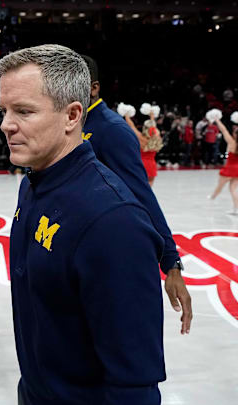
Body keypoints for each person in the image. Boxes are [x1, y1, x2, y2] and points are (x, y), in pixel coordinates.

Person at [0, 44, 166, 405]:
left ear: (72, 115)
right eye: (5, 110)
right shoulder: (31, 183)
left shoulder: (113, 222)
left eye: (24, 111)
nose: (6, 125)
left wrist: (172, 257)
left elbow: (134, 384)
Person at [81, 55, 192, 334]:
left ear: (94, 88)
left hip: (111, 248)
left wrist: (170, 261)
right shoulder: (72, 121)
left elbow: (142, 196)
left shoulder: (111, 129)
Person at [207, 116, 238, 215]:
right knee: (233, 189)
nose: (233, 132)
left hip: (230, 168)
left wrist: (217, 120)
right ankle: (236, 209)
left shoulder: (232, 143)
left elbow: (224, 130)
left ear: (236, 136)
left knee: (220, 185)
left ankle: (213, 197)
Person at [124, 110, 162, 186]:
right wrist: (152, 116)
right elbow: (153, 127)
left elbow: (132, 126)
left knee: (140, 188)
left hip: (141, 164)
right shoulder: (157, 138)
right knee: (149, 188)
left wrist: (126, 115)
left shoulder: (141, 138)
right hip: (152, 165)